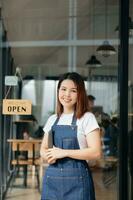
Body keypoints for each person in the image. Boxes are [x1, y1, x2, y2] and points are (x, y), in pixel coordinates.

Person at [40, 72, 101, 200]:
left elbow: (96, 152)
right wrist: (48, 156)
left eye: (73, 90)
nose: (67, 94)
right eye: (63, 89)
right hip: (52, 181)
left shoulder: (87, 118)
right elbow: (43, 149)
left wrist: (64, 152)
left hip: (78, 183)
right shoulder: (52, 119)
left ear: (80, 94)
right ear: (58, 92)